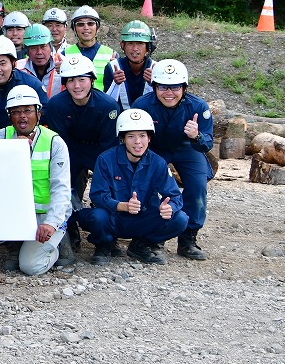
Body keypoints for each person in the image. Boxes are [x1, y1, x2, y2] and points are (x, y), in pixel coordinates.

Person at [81, 109, 188, 265]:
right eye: (131, 136)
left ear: (149, 138)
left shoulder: (158, 163)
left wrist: (169, 207)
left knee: (180, 219)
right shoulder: (105, 159)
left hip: (143, 219)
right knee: (97, 217)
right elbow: (97, 195)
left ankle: (141, 245)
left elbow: (175, 196)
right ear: (123, 138)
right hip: (113, 217)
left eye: (142, 136)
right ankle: (105, 244)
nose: (137, 142)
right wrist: (121, 206)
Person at [41, 53, 121, 250]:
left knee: (110, 186)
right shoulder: (56, 105)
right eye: (71, 80)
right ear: (65, 83)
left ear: (92, 81)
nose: (76, 86)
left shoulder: (108, 106)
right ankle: (70, 227)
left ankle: (109, 233)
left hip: (100, 150)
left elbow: (109, 146)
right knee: (64, 185)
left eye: (82, 80)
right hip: (71, 148)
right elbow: (60, 141)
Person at [135, 59, 213, 261]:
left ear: (184, 87)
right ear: (154, 87)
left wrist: (196, 136)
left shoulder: (198, 106)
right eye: (163, 87)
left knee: (197, 186)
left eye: (175, 87)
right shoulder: (142, 105)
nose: (169, 92)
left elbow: (207, 144)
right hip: (155, 149)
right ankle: (156, 234)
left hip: (187, 148)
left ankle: (188, 238)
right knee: (150, 186)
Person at [0, 85, 73, 275]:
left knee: (31, 267)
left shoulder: (55, 142)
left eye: (28, 110)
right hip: (15, 212)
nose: (22, 116)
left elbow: (61, 187)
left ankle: (59, 240)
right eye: (16, 112)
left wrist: (51, 223)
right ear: (9, 115)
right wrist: (11, 151)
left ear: (38, 113)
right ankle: (16, 246)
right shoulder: (0, 138)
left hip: (44, 216)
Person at [63, 6, 117, 92]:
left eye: (90, 23)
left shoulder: (111, 54)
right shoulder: (65, 54)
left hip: (103, 103)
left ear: (98, 28)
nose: (86, 28)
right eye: (80, 24)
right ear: (74, 30)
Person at [107, 20, 155, 108]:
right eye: (130, 43)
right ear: (122, 45)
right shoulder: (112, 67)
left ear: (148, 47)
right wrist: (115, 84)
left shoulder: (156, 69)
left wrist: (155, 84)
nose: (135, 49)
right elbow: (106, 103)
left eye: (140, 43)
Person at [17, 23, 62, 98]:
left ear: (51, 47)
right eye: (33, 48)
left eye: (43, 47)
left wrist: (68, 73)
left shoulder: (64, 64)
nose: (39, 52)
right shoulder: (17, 68)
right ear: (27, 51)